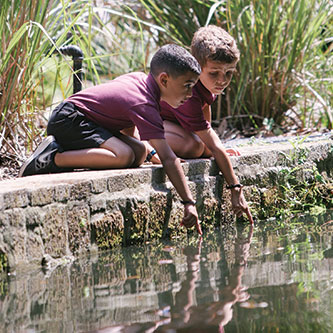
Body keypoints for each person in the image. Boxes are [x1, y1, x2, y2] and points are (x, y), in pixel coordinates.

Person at [18, 44, 202, 234]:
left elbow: (128, 124)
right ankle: (52, 157)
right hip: (69, 120)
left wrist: (149, 154)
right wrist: (188, 202)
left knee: (138, 152)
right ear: (164, 79)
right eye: (187, 86)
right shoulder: (144, 102)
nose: (190, 95)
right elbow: (169, 158)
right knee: (122, 156)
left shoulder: (142, 82)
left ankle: (61, 153)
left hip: (85, 119)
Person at [159, 25, 254, 224]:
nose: (222, 80)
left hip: (170, 123)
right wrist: (235, 187)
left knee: (203, 146)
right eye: (214, 73)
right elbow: (211, 143)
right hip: (149, 123)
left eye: (229, 73)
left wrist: (216, 148)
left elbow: (206, 113)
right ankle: (145, 143)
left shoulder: (206, 85)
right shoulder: (189, 91)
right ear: (197, 66)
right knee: (193, 146)